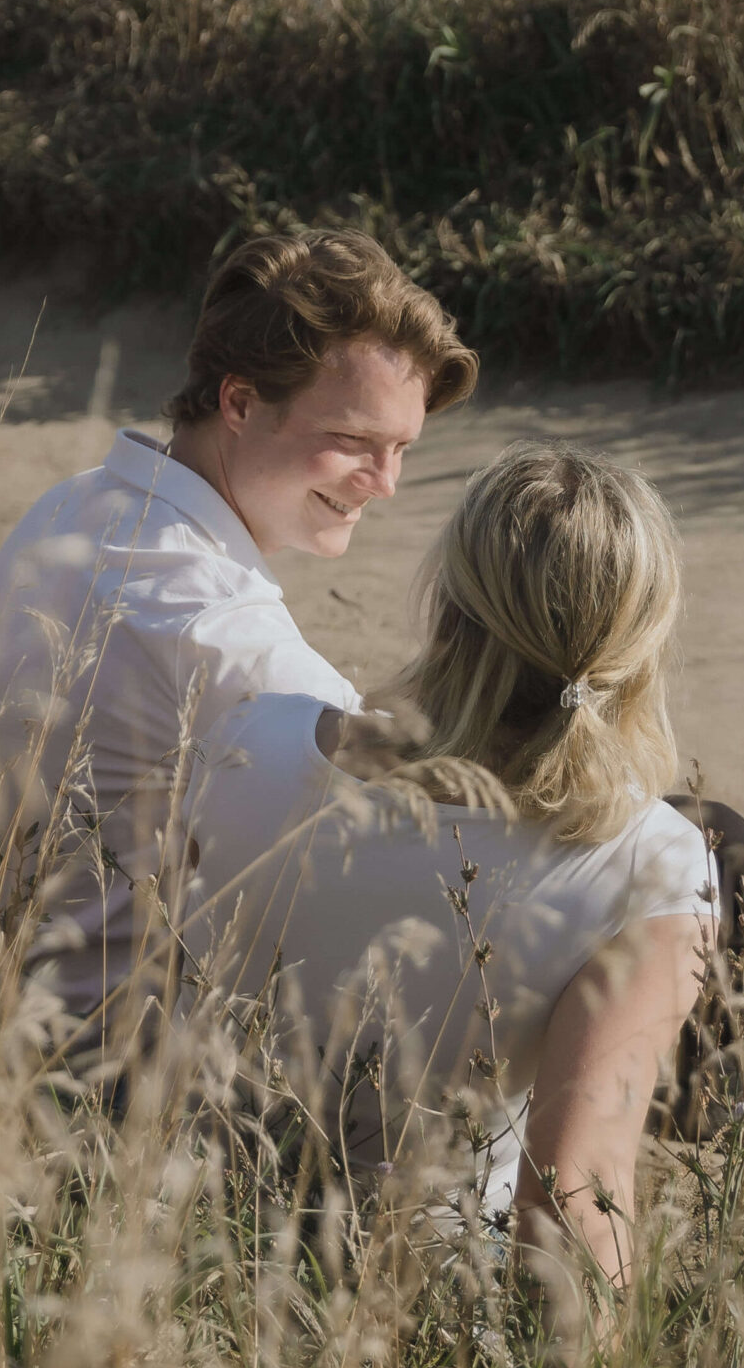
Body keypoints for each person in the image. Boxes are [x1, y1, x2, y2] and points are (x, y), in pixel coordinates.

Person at [0, 227, 744, 1265]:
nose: (383, 485)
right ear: (241, 401)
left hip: (60, 1026)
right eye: (356, 445)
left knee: (668, 867)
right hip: (165, 1094)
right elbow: (393, 794)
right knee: (692, 854)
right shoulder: (225, 641)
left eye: (404, 454)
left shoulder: (74, 515)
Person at [181, 447, 715, 1290]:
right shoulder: (650, 864)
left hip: (187, 1243)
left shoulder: (256, 740)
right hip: (410, 1304)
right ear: (641, 636)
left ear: (449, 598)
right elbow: (574, 1198)